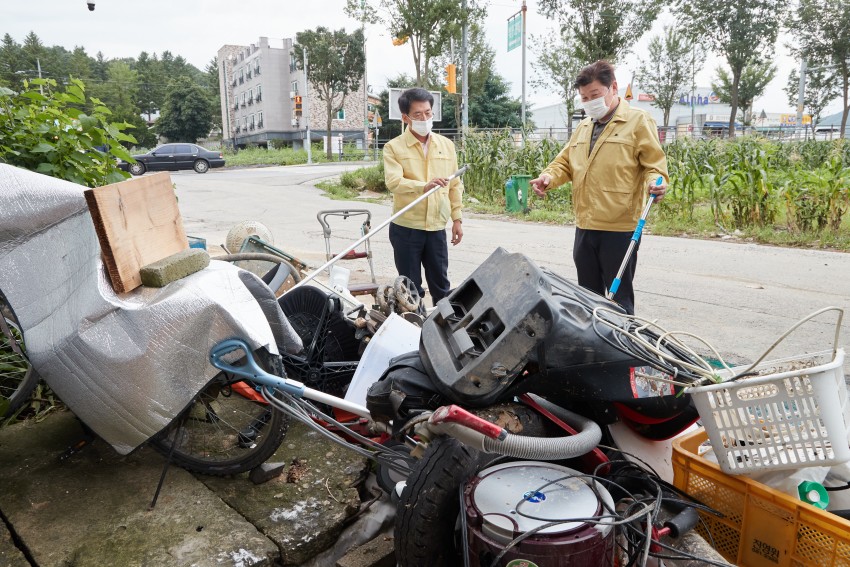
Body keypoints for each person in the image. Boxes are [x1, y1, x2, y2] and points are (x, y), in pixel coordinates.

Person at [530, 60, 668, 315]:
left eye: (594, 95)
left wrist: (656, 182)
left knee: (618, 301)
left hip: (619, 228)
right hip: (585, 225)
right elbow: (565, 163)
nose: (589, 101)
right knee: (587, 297)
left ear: (613, 88)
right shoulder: (583, 127)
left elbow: (654, 165)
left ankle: (624, 348)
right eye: (584, 97)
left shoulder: (637, 121)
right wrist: (548, 177)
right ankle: (594, 350)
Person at [383, 87, 464, 306]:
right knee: (411, 289)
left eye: (428, 113)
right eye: (418, 114)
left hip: (437, 227)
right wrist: (423, 187)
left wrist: (457, 219)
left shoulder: (446, 146)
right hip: (407, 227)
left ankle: (443, 330)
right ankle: (415, 330)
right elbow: (393, 182)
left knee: (441, 286)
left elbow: (455, 184)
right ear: (405, 117)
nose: (425, 118)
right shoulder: (394, 147)